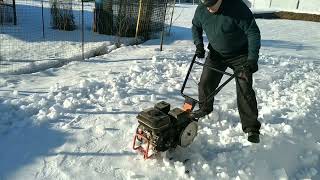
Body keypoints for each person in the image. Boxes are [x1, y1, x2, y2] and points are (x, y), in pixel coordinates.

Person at [191, 0, 261, 143]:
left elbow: (253, 32)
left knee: (244, 89)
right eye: (206, 6)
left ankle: (251, 128)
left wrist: (252, 59)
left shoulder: (237, 7)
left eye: (212, 5)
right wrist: (199, 44)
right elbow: (195, 26)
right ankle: (205, 108)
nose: (209, 9)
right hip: (217, 53)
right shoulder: (202, 9)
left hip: (241, 55)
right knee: (205, 82)